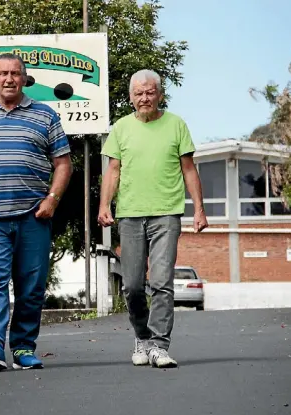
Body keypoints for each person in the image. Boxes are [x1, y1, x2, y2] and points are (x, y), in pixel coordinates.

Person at [0, 53, 73, 371]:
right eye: (3, 73)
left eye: (16, 73)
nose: (9, 78)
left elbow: (63, 163)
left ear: (25, 79)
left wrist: (53, 199)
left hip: (34, 216)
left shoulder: (45, 115)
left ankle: (22, 347)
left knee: (31, 285)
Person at [98, 69, 208, 368]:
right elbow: (113, 171)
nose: (144, 97)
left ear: (160, 94)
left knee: (162, 281)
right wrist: (104, 205)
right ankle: (142, 337)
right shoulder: (121, 128)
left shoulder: (176, 125)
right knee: (132, 285)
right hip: (130, 215)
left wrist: (198, 208)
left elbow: (188, 169)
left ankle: (159, 345)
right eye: (139, 93)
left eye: (150, 92)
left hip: (166, 214)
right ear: (131, 97)